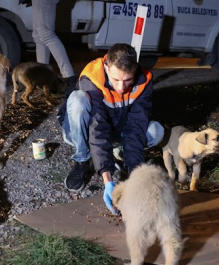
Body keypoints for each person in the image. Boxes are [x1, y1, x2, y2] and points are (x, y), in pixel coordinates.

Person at [57, 44, 165, 214]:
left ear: (135, 69)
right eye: (116, 80)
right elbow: (97, 128)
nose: (121, 88)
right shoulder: (92, 77)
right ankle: (82, 160)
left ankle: (120, 153)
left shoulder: (145, 79)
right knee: (77, 100)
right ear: (106, 67)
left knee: (156, 131)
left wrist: (134, 176)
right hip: (83, 131)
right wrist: (107, 180)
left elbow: (135, 126)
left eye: (127, 80)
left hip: (117, 126)